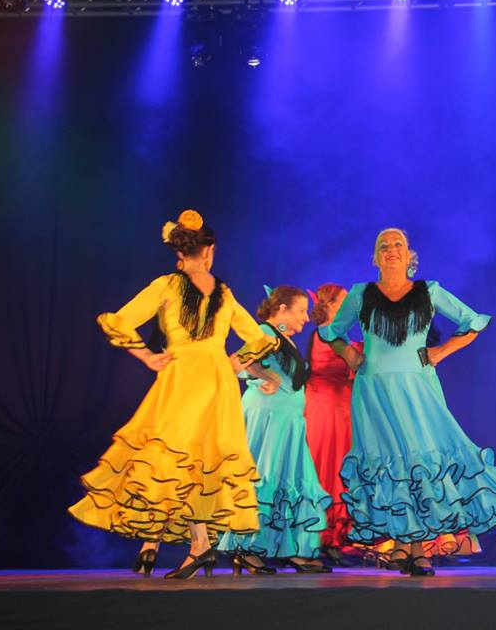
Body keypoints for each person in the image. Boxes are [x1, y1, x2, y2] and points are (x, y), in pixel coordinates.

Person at [69, 210, 280, 579]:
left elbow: (118, 320)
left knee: (173, 458)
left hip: (183, 375)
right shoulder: (224, 292)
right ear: (210, 251)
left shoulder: (166, 285)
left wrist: (148, 356)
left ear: (179, 253)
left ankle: (172, 543)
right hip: (216, 379)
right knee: (201, 461)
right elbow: (261, 338)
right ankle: (196, 544)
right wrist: (235, 359)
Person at [319, 228, 496, 576]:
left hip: (417, 387)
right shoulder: (360, 294)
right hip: (373, 390)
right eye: (383, 246)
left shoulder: (428, 291)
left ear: (410, 254)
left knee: (419, 461)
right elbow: (332, 332)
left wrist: (441, 350)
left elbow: (472, 321)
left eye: (398, 244)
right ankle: (401, 546)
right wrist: (349, 355)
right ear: (374, 258)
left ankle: (419, 549)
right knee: (391, 464)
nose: (391, 250)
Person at [218, 286, 332, 574]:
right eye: (301, 311)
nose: (306, 318)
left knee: (286, 480)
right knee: (265, 478)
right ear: (281, 309)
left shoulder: (282, 338)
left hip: (288, 419)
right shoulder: (265, 333)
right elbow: (236, 363)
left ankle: (288, 548)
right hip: (269, 417)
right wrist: (264, 374)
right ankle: (247, 549)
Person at [303, 283, 360, 563]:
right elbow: (345, 362)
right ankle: (319, 536)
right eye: (344, 302)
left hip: (338, 407)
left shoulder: (335, 332)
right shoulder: (328, 331)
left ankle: (331, 539)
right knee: (326, 467)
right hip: (325, 407)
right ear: (330, 305)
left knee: (337, 468)